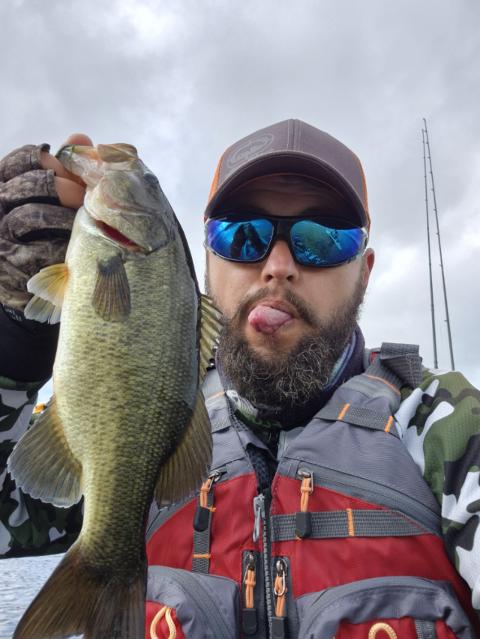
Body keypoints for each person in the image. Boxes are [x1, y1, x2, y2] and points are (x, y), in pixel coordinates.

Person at [0, 119, 479, 638]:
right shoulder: (143, 432)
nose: (278, 266)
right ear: (207, 260)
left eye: (322, 239)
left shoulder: (444, 424)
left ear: (364, 271)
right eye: (242, 235)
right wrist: (14, 348)